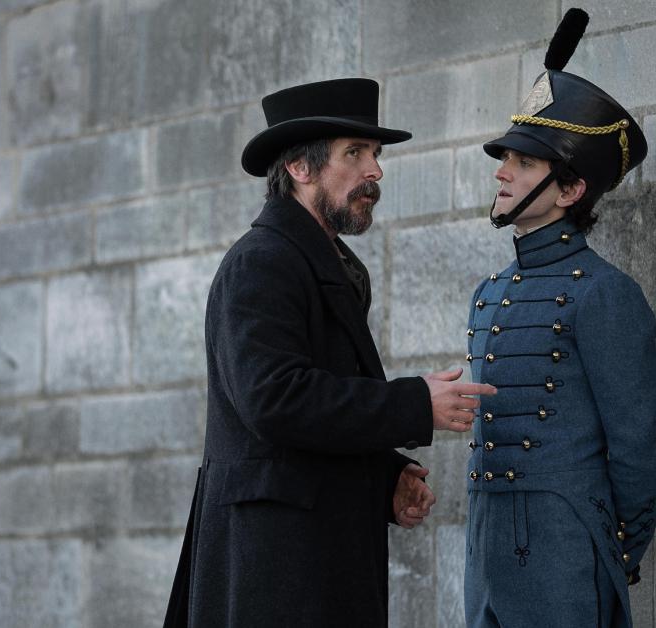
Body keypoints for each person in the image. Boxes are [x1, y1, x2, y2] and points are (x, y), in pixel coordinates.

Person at [163, 77, 497, 628]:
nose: (375, 171)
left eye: (376, 154)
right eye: (355, 153)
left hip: (314, 559)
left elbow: (309, 417)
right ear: (300, 167)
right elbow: (274, 400)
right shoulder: (262, 261)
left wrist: (383, 475)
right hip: (276, 569)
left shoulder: (329, 263)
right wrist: (413, 404)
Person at [462, 9, 656, 628]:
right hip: (485, 546)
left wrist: (611, 549)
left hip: (564, 548)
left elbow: (638, 446)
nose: (502, 171)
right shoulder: (488, 292)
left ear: (571, 190)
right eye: (506, 159)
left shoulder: (604, 293)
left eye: (523, 164)